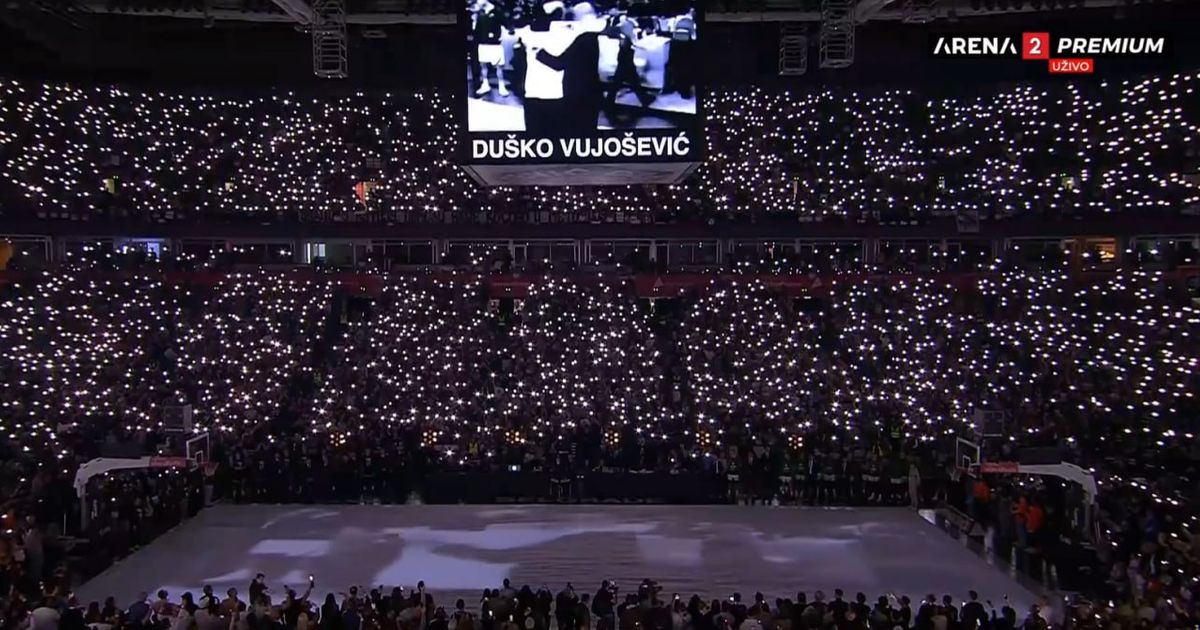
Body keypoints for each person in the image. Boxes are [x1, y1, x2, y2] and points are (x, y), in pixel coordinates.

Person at [535, 2, 605, 135]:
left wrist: (540, 53)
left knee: (574, 132)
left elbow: (559, 63)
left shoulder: (583, 40)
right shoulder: (596, 38)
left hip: (577, 95)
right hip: (593, 93)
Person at [471, 0, 509, 97]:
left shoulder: (498, 12)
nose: (477, 1)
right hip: (483, 45)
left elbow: (507, 25)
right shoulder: (480, 13)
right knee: (483, 66)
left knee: (499, 67)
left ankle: (502, 86)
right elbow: (477, 30)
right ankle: (485, 84)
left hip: (495, 45)